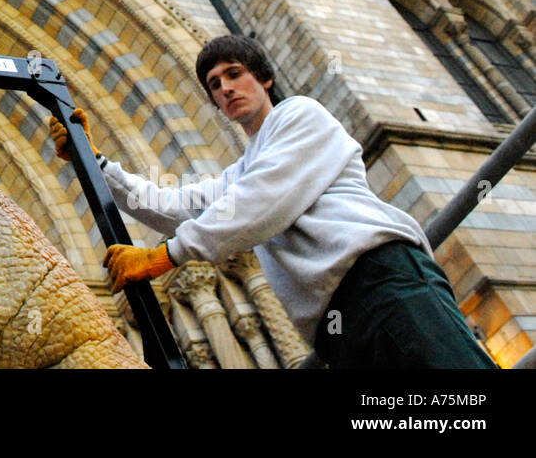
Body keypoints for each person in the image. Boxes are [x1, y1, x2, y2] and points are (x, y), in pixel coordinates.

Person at [51, 34, 495, 368]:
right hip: (333, 327)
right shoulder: (242, 172)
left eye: (234, 73)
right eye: (214, 84)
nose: (225, 87)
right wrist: (93, 161)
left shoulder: (300, 115)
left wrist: (165, 257)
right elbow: (173, 206)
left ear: (264, 78)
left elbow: (261, 202)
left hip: (382, 282)